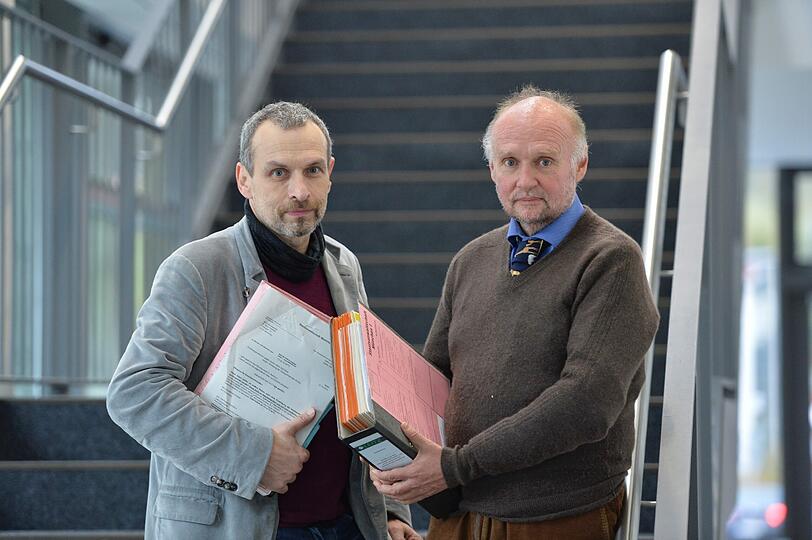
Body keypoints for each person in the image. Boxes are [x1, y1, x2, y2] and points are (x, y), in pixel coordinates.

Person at [107, 102, 420, 540]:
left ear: (330, 173)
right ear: (244, 180)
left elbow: (367, 394)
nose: (300, 191)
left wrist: (389, 510)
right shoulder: (197, 268)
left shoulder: (343, 265)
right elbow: (135, 392)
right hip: (237, 526)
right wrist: (254, 455)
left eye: (312, 170)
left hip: (346, 525)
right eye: (278, 173)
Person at [369, 86, 660, 539]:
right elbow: (429, 384)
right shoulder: (471, 260)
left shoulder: (610, 260)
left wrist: (456, 465)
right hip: (457, 513)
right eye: (509, 162)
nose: (525, 180)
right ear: (492, 170)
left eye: (544, 161)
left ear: (579, 165)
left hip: (555, 518)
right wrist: (397, 494)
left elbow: (587, 402)